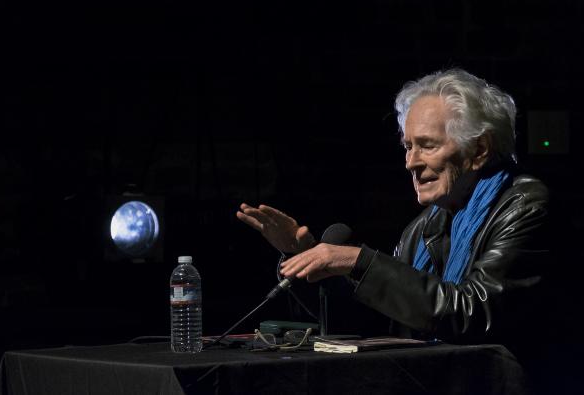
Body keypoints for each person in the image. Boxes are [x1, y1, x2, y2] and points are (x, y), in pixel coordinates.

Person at [236, 68, 550, 345]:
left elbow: (474, 313)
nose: (411, 163)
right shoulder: (423, 227)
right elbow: (373, 325)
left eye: (427, 145)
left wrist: (361, 261)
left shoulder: (525, 206)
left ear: (479, 149)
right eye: (408, 146)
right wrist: (307, 260)